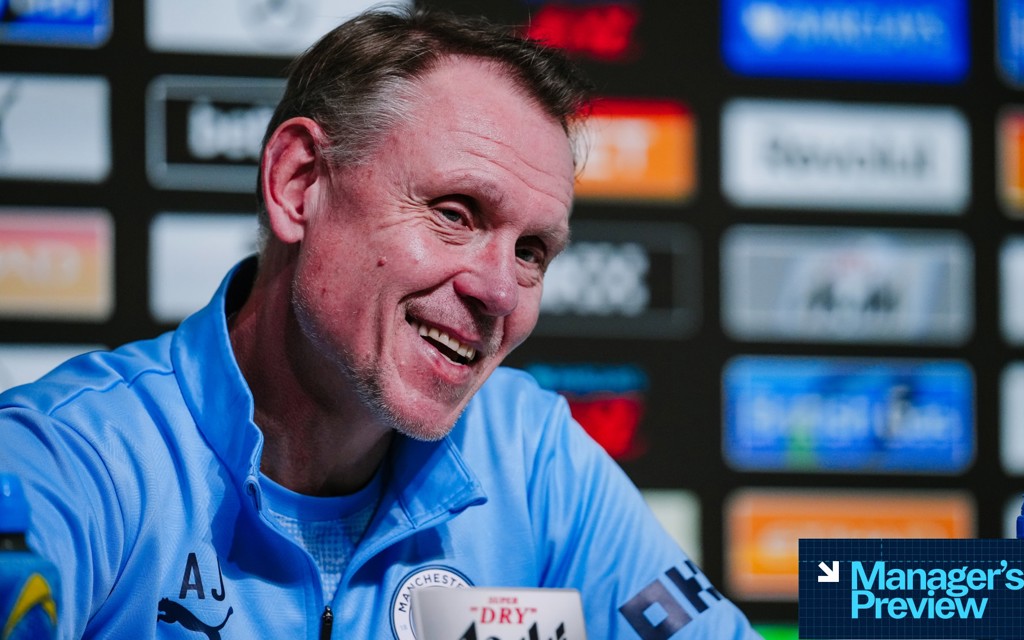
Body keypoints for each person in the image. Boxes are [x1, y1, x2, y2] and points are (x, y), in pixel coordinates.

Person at [0, 7, 759, 639]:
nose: (498, 291)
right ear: (299, 186)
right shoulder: (73, 460)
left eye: (531, 251)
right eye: (455, 213)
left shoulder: (530, 458)